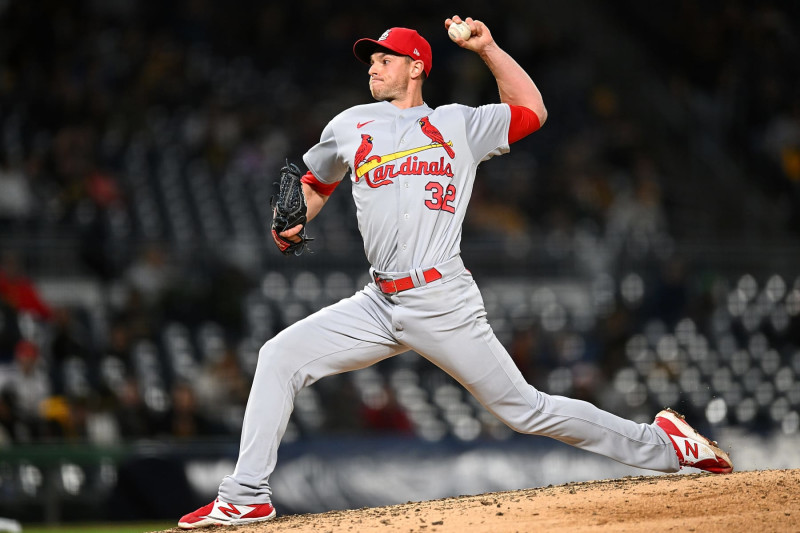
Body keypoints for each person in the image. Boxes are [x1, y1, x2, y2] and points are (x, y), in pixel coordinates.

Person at [178, 15, 732, 529]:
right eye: (371, 58)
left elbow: (532, 110)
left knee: (525, 410)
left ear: (417, 66)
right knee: (279, 355)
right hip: (377, 302)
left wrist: (486, 48)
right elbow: (315, 184)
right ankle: (246, 494)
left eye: (386, 58)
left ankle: (666, 445)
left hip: (440, 299)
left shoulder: (458, 125)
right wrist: (292, 221)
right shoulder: (350, 125)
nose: (373, 65)